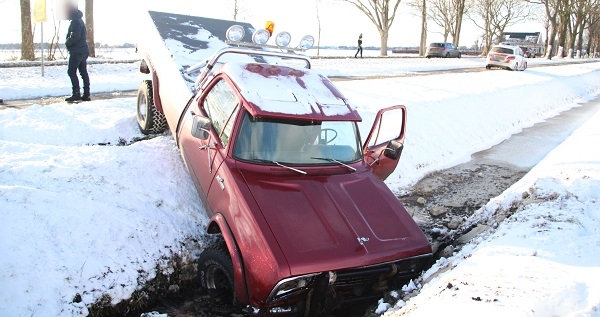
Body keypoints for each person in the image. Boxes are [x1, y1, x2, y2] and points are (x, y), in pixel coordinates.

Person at [64, 3, 90, 102]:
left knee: (71, 71)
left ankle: (76, 93)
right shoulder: (80, 20)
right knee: (83, 72)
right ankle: (86, 94)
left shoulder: (75, 22)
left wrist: (67, 42)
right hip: (83, 50)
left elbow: (75, 36)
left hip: (77, 51)